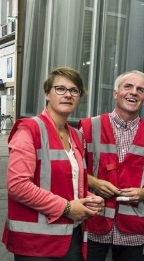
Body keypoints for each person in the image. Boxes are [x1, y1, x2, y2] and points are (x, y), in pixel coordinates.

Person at [2, 66, 105, 260]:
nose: (68, 95)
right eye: (60, 89)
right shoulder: (29, 130)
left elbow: (68, 182)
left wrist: (88, 198)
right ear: (47, 94)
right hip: (35, 243)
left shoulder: (76, 136)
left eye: (74, 90)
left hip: (70, 236)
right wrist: (67, 208)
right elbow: (17, 186)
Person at [78, 70, 144, 261]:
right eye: (128, 86)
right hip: (93, 218)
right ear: (115, 93)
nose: (134, 92)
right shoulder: (88, 127)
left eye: (140, 90)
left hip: (133, 225)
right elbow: (73, 168)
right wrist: (93, 182)